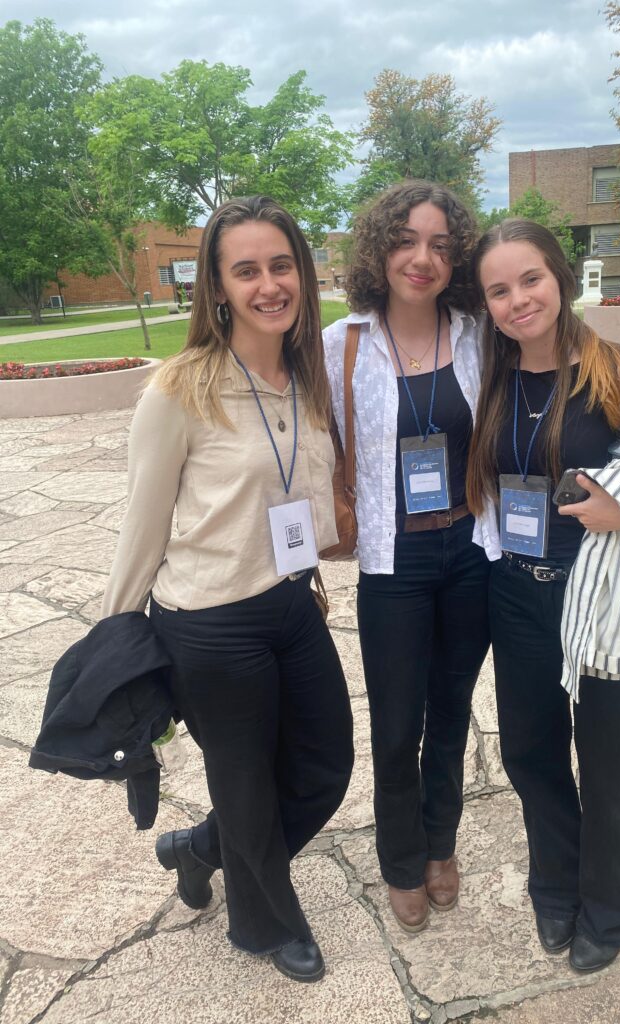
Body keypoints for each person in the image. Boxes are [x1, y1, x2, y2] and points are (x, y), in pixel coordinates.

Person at [100, 195, 354, 983]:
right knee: (246, 787)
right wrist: (115, 643)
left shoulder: (308, 379)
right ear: (216, 287)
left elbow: (310, 503)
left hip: (291, 603)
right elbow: (142, 525)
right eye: (246, 270)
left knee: (325, 765)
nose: (268, 284)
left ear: (304, 277)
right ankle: (269, 925)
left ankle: (196, 847)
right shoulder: (180, 388)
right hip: (208, 623)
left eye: (282, 266)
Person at [466, 219, 620, 972]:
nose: (517, 300)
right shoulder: (494, 377)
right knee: (533, 755)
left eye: (529, 279)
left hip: (604, 599)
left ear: (561, 278)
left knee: (613, 765)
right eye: (498, 290)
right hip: (519, 595)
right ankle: (555, 887)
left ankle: (611, 907)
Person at [323, 181, 496, 933]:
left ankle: (440, 846)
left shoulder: (478, 332)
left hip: (471, 552)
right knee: (396, 723)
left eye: (439, 245)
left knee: (451, 712)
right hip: (393, 565)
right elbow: (307, 441)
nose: (421, 258)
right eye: (406, 241)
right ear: (380, 249)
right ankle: (400, 858)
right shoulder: (344, 344)